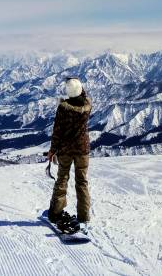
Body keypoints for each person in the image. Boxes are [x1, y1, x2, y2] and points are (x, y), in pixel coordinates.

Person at [47, 77, 92, 228]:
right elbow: (83, 94)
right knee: (82, 182)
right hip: (82, 150)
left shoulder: (63, 108)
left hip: (66, 150)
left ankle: (56, 213)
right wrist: (77, 84)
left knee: (62, 180)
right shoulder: (87, 105)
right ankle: (84, 216)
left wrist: (52, 150)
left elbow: (57, 131)